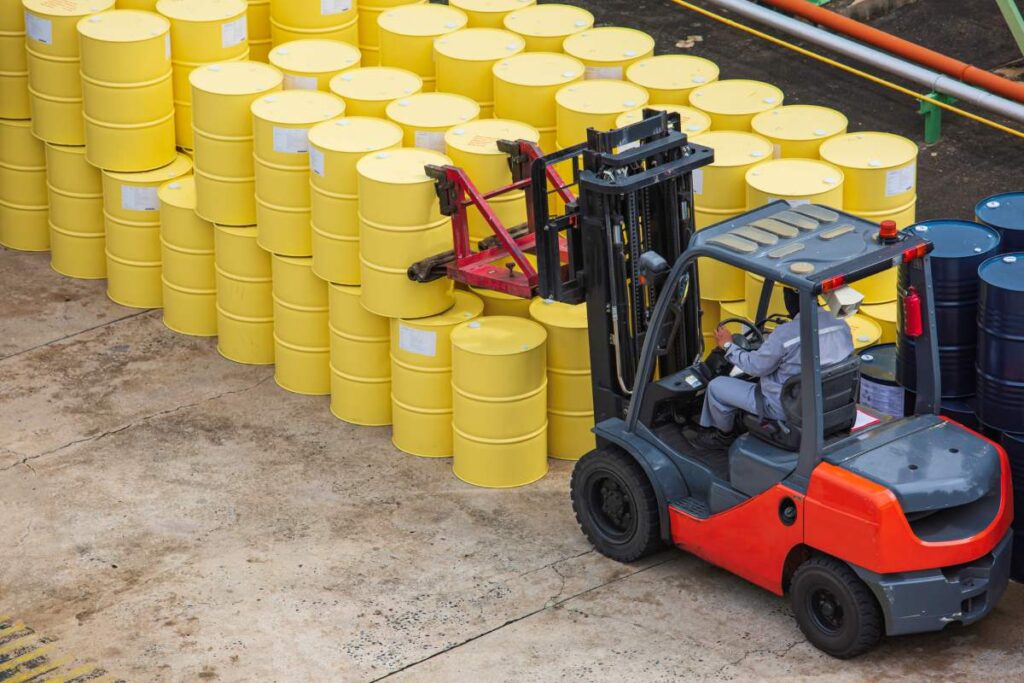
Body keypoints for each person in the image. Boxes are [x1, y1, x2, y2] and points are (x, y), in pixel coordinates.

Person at [692, 287, 855, 450]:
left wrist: (728, 345)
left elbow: (755, 367)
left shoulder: (785, 334)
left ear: (789, 302)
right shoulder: (841, 324)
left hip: (785, 406)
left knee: (716, 386)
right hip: (829, 400)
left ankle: (723, 437)